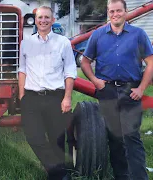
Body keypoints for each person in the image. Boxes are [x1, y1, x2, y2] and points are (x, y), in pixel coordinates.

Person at [81, 0, 153, 179]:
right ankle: (122, 176)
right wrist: (95, 81)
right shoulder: (98, 35)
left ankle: (139, 177)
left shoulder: (138, 34)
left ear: (126, 11)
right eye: (112, 11)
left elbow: (150, 63)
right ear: (108, 13)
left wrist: (142, 88)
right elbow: (85, 61)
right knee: (114, 138)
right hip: (107, 92)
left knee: (132, 137)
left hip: (131, 91)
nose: (115, 14)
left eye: (118, 11)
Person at [18, 6, 77, 180]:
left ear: (52, 20)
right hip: (31, 97)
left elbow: (70, 71)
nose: (43, 20)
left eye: (46, 17)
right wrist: (22, 95)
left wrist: (67, 97)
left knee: (57, 139)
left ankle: (55, 176)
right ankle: (60, 173)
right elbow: (22, 69)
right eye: (40, 17)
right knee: (33, 137)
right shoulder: (26, 42)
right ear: (35, 20)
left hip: (55, 97)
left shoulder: (63, 42)